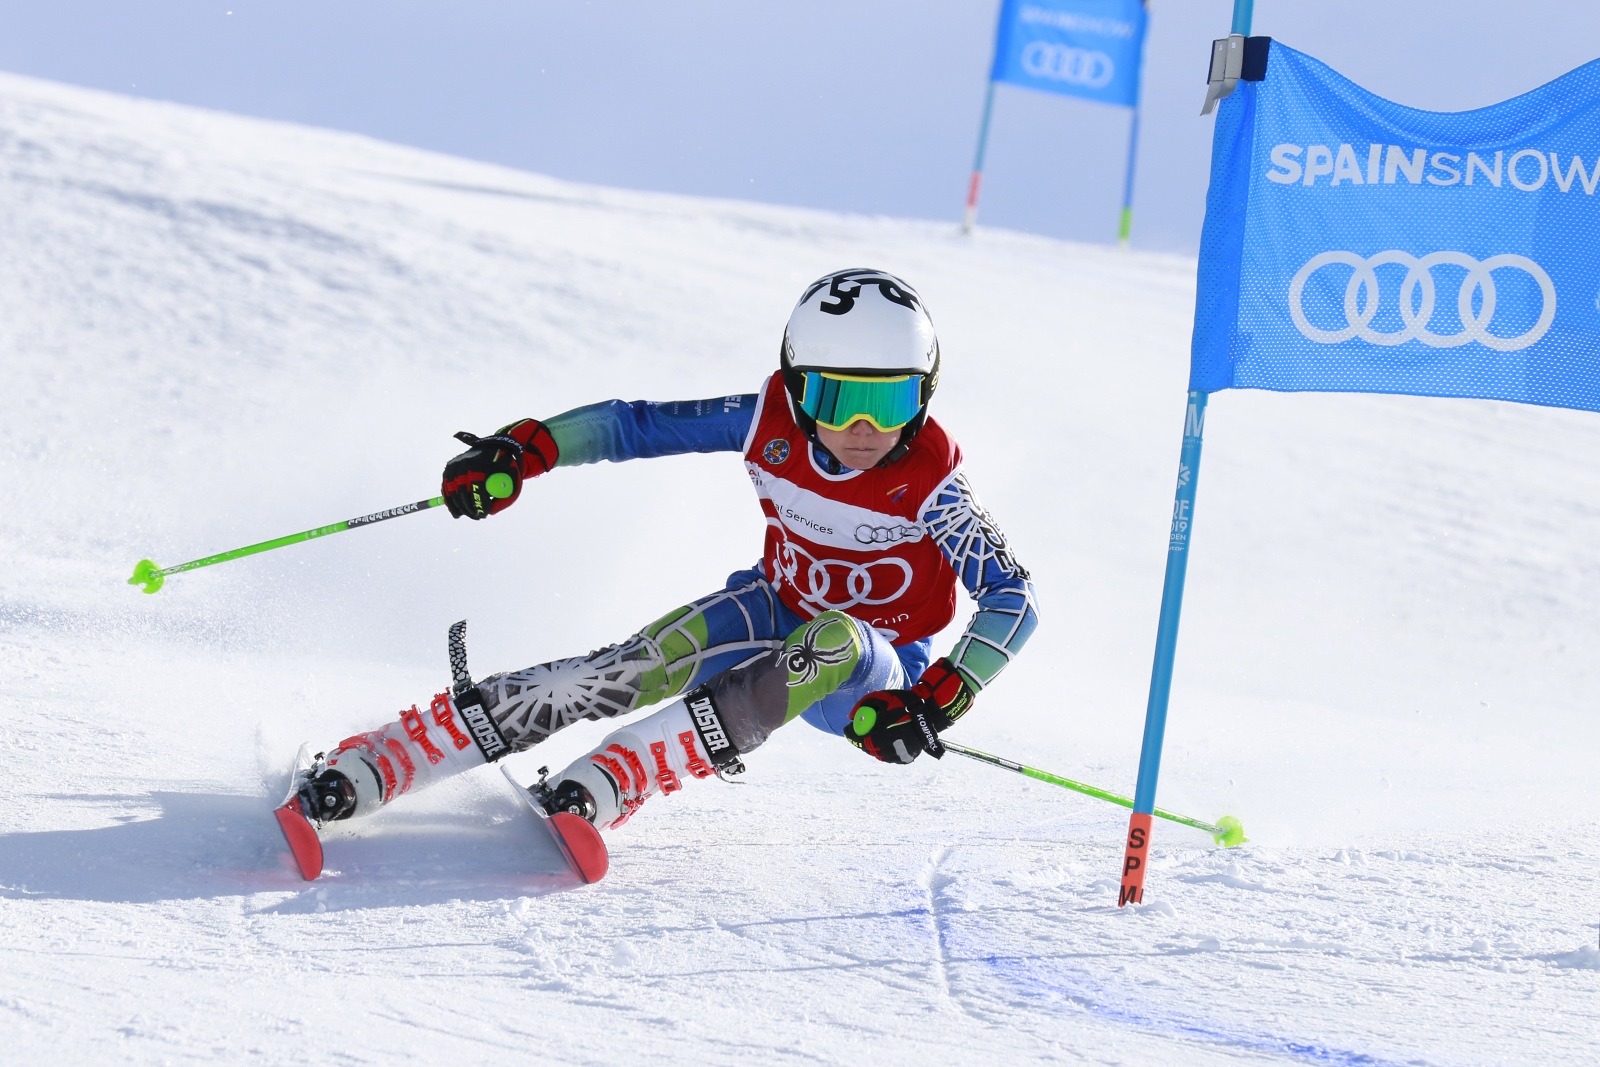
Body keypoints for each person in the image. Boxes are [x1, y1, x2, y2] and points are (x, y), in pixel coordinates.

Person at [291, 268, 1039, 834]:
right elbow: (635, 426)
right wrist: (528, 450)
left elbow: (1013, 596)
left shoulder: (933, 479)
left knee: (833, 639)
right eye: (839, 399)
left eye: (895, 400)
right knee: (639, 661)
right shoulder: (765, 424)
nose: (866, 428)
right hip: (774, 605)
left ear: (927, 396)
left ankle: (632, 770)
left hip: (874, 674)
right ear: (797, 386)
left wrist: (940, 695)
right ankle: (391, 756)